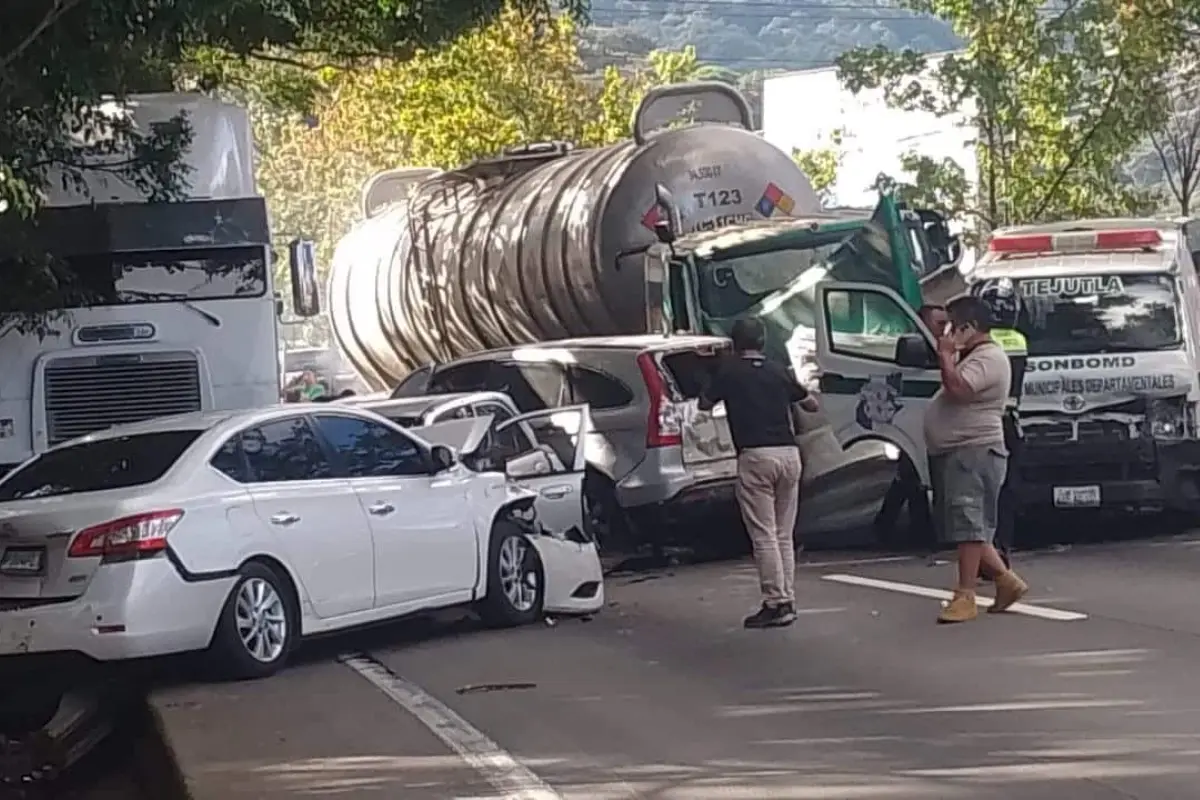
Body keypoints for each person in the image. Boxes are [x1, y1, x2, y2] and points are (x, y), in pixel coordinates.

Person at [700, 318, 820, 629]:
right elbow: (811, 404)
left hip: (756, 456)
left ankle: (776, 602)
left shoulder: (728, 372)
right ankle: (787, 598)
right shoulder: (778, 370)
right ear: (763, 342)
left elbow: (703, 404)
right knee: (783, 534)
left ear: (735, 343)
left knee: (764, 534)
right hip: (789, 454)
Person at [925, 295, 1028, 623]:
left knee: (969, 523)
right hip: (960, 450)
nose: (945, 334)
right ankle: (1006, 581)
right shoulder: (974, 356)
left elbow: (959, 390)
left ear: (969, 327)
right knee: (967, 524)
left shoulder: (989, 358)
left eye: (951, 326)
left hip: (974, 450)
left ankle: (966, 594)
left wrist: (945, 357)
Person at [875, 304, 946, 546]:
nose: (945, 329)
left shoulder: (949, 349)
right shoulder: (919, 349)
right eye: (939, 324)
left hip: (938, 422)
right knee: (912, 474)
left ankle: (898, 528)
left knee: (911, 475)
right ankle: (914, 530)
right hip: (916, 419)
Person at [976, 279, 1028, 571]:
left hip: (984, 423)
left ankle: (986, 551)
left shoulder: (981, 343)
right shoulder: (1019, 341)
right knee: (1007, 490)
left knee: (981, 491)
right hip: (1010, 423)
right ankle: (1002, 549)